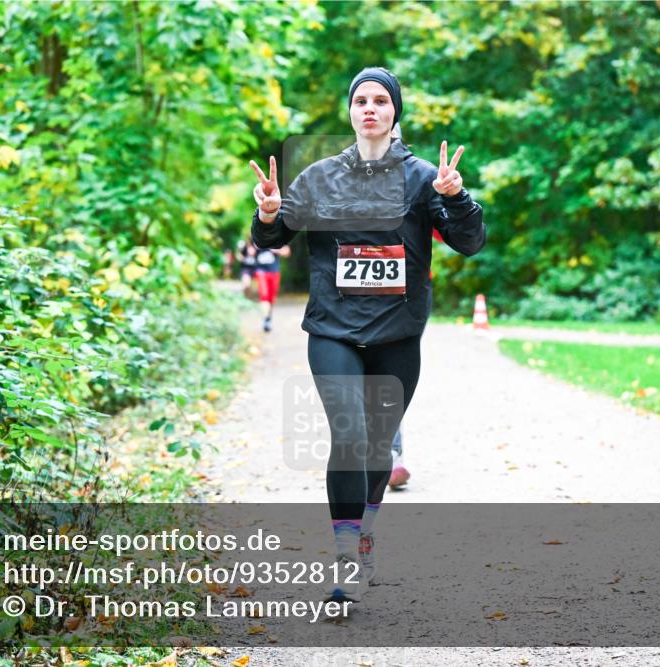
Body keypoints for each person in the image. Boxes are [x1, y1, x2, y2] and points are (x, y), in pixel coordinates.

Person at [248, 66, 486, 602]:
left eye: (381, 100)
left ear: (395, 111)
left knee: (378, 447)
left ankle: (366, 534)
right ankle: (344, 558)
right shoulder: (318, 176)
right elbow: (273, 237)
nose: (371, 108)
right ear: (350, 112)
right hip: (332, 328)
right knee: (349, 437)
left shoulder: (426, 177)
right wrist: (266, 213)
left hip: (397, 333)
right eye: (361, 101)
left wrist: (457, 197)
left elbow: (469, 242)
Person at [254, 242, 291, 332]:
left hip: (274, 271)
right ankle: (266, 319)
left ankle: (268, 318)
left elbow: (287, 252)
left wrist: (275, 250)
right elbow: (250, 251)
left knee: (271, 298)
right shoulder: (256, 234)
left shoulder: (277, 236)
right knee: (264, 295)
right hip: (261, 271)